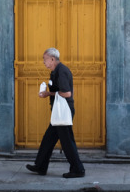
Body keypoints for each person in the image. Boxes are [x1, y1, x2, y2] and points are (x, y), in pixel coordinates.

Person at [26, 47, 85, 178]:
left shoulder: (61, 71)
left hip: (63, 112)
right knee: (48, 139)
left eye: (45, 59)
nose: (43, 62)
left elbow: (67, 93)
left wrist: (49, 93)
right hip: (58, 112)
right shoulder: (55, 71)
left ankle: (78, 169)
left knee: (67, 142)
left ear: (52, 59)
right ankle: (40, 166)